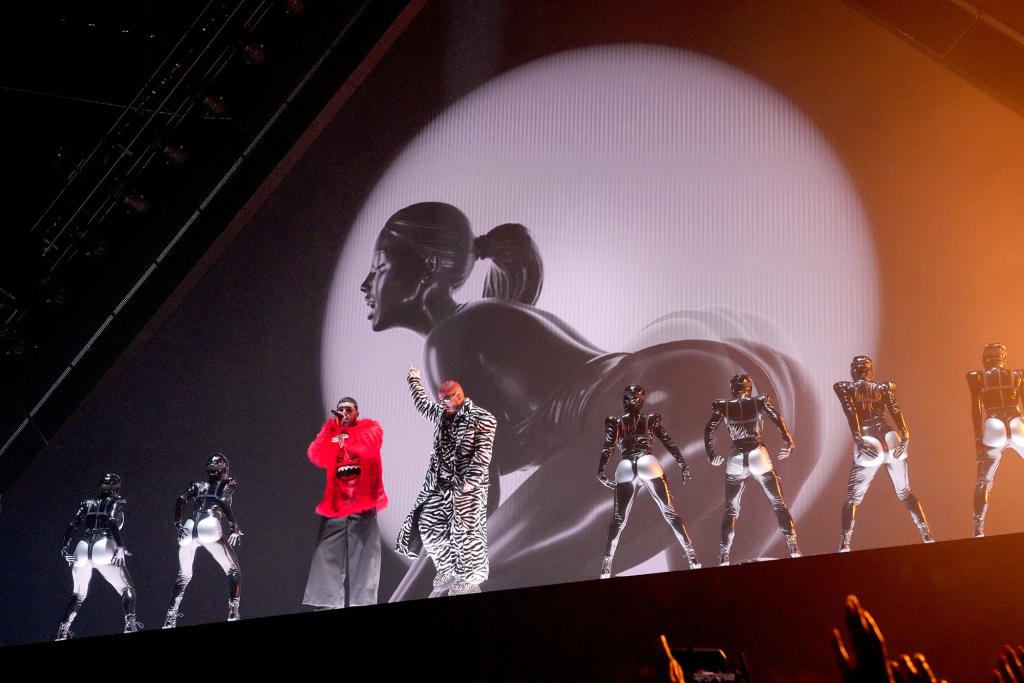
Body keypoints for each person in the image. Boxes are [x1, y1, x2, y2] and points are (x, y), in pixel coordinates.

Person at [360, 202, 814, 597]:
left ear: (427, 267)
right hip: (748, 381)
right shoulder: (480, 324)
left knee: (482, 578)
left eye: (378, 266)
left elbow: (475, 494)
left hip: (662, 404)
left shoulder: (449, 338)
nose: (366, 284)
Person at [395, 365, 496, 595]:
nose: (442, 404)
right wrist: (414, 380)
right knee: (428, 524)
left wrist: (470, 483)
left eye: (446, 399)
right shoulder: (442, 414)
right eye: (440, 400)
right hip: (440, 484)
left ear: (459, 396)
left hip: (467, 488)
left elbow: (483, 454)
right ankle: (447, 568)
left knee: (466, 533)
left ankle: (470, 577)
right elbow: (422, 404)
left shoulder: (482, 419)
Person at [597, 384, 700, 577]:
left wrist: (601, 469)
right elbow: (667, 441)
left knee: (619, 519)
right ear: (641, 400)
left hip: (626, 464)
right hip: (647, 461)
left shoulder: (616, 422)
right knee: (669, 512)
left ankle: (607, 562)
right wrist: (682, 463)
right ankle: (690, 553)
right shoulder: (650, 419)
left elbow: (608, 447)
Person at [834, 356, 933, 552]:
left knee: (853, 498)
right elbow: (895, 409)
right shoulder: (884, 387)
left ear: (854, 371)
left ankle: (845, 543)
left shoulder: (844, 387)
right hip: (890, 436)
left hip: (868, 436)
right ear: (870, 371)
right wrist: (905, 434)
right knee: (905, 492)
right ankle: (926, 533)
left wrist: (857, 438)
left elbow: (850, 410)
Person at [704, 372, 800, 565]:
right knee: (778, 503)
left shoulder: (724, 407)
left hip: (737, 456)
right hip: (758, 453)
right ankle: (793, 545)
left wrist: (711, 454)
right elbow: (778, 420)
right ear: (749, 388)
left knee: (731, 509)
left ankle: (724, 554)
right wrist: (788, 442)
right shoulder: (759, 402)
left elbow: (708, 430)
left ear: (733, 389)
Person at [302, 397, 387, 608]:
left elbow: (369, 445)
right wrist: (330, 429)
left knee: (365, 565)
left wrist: (343, 436)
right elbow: (316, 455)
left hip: (363, 506)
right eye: (340, 410)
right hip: (336, 509)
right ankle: (327, 605)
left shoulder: (370, 429)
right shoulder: (334, 433)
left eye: (348, 409)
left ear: (357, 412)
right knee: (326, 559)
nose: (344, 413)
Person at [162, 453, 243, 627]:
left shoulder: (198, 485)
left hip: (190, 524)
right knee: (233, 570)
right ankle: (232, 610)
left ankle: (170, 618)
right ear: (224, 470)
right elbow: (222, 500)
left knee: (183, 576)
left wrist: (177, 522)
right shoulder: (228, 483)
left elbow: (181, 498)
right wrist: (233, 525)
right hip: (209, 522)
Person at [56, 473, 139, 639]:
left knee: (78, 594)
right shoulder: (116, 501)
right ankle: (130, 624)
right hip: (104, 544)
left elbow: (72, 524)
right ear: (116, 488)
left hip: (82, 547)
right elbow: (111, 521)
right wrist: (121, 547)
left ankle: (62, 630)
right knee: (127, 589)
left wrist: (65, 548)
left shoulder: (87, 503)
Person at [966, 342, 1024, 538]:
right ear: (1003, 358)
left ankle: (978, 528)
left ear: (985, 359)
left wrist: (977, 438)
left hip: (993, 424)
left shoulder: (977, 377)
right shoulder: (1018, 374)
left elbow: (976, 408)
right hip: (1017, 422)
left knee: (984, 480)